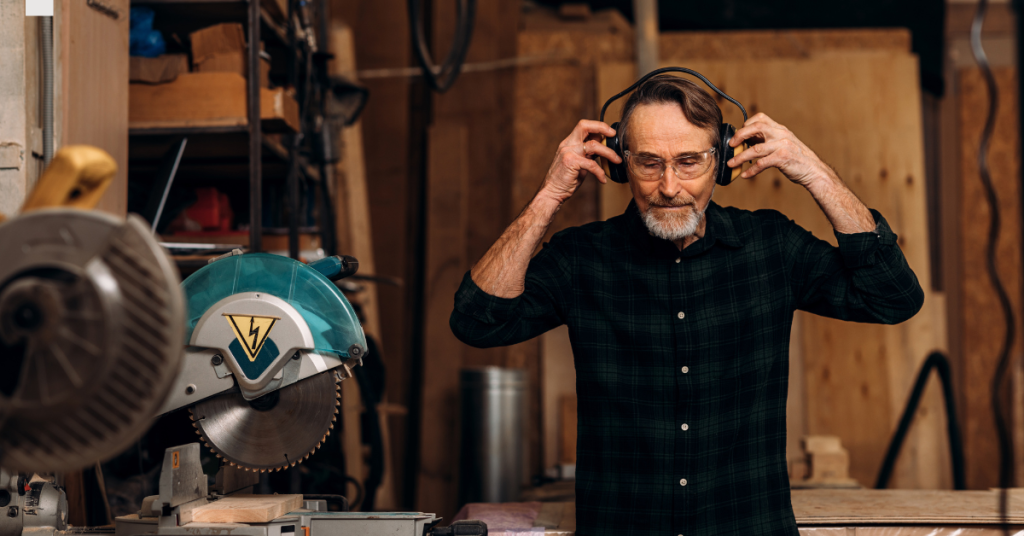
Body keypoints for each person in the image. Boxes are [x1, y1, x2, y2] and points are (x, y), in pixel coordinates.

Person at [448, 75, 924, 536]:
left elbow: (894, 297)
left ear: (721, 162)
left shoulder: (771, 247)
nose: (669, 186)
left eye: (690, 162)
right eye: (649, 163)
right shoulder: (582, 257)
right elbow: (477, 322)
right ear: (619, 164)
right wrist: (550, 194)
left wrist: (812, 171)